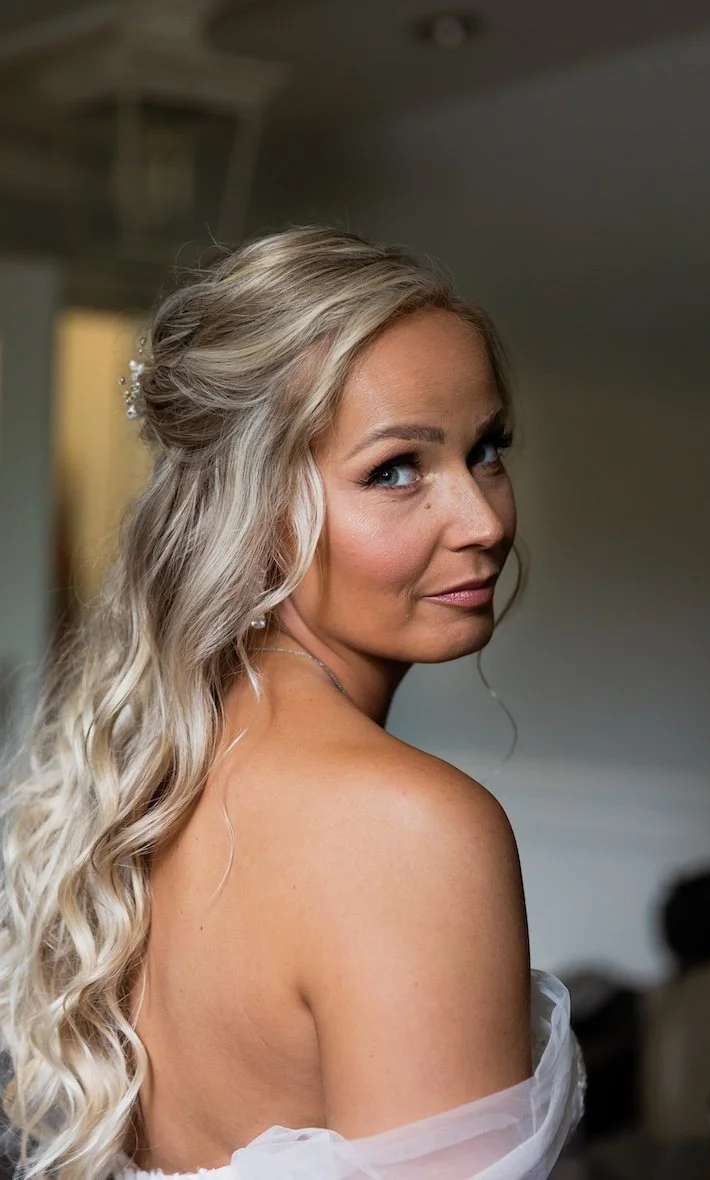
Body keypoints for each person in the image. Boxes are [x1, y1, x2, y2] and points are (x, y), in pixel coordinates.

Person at [0, 227, 583, 1180]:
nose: (482, 522)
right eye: (396, 469)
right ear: (251, 506)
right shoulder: (411, 831)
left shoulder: (156, 778)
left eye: (485, 451)